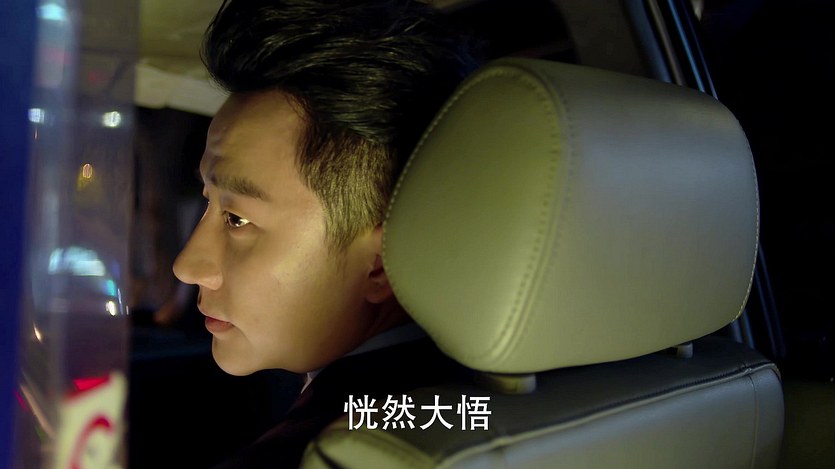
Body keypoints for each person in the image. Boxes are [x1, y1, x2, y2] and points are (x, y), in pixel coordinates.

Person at [171, 0, 482, 466]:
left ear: (382, 262)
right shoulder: (487, 407)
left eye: (237, 218)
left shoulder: (315, 457)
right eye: (208, 202)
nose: (187, 266)